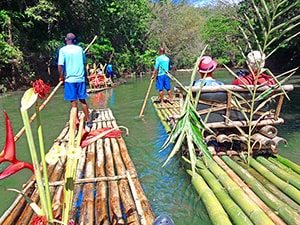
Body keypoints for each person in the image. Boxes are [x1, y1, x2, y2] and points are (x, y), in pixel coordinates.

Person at [58, 33, 93, 128]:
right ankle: (89, 121)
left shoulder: (63, 50)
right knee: (82, 100)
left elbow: (60, 65)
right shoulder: (79, 49)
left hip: (70, 79)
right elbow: (84, 61)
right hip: (80, 78)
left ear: (66, 39)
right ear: (74, 40)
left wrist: (61, 76)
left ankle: (76, 120)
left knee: (74, 102)